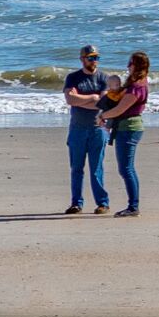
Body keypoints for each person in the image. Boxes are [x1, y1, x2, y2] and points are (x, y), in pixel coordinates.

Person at [60, 44, 110, 216]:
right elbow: (70, 99)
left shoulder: (104, 78)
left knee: (96, 168)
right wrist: (92, 97)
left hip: (98, 129)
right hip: (77, 129)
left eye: (96, 57)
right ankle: (76, 203)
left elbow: (103, 103)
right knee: (76, 168)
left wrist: (84, 99)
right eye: (91, 58)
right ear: (82, 59)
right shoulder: (73, 78)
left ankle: (102, 203)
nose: (94, 61)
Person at [100, 53, 151, 219]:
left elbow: (120, 109)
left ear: (136, 65)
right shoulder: (134, 84)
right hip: (125, 127)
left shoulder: (137, 86)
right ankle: (133, 205)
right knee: (126, 168)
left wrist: (103, 116)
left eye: (130, 63)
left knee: (126, 168)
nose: (128, 66)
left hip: (129, 128)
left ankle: (133, 206)